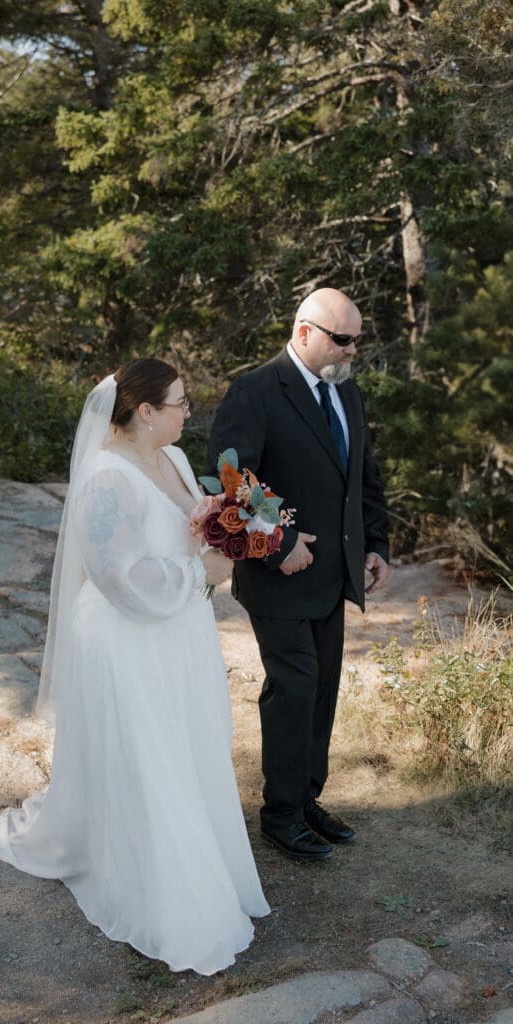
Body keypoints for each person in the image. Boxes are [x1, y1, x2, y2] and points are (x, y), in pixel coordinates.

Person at [0, 358, 269, 975]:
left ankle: (201, 856)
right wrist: (202, 569)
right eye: (179, 404)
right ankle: (163, 887)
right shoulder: (104, 479)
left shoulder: (170, 459)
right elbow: (118, 575)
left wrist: (228, 530)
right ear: (144, 412)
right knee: (150, 755)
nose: (188, 412)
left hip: (178, 630)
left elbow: (192, 527)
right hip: (126, 634)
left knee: (190, 743)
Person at [206, 288, 390, 861]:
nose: (352, 351)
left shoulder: (347, 392)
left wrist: (375, 543)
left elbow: (363, 474)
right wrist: (278, 541)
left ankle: (306, 800)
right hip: (279, 576)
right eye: (342, 339)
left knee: (322, 692)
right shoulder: (256, 390)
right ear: (306, 332)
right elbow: (231, 476)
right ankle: (280, 815)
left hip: (333, 577)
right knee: (294, 689)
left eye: (357, 339)